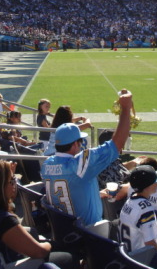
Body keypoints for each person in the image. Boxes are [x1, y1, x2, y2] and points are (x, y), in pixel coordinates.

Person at [0, 159, 78, 269]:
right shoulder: (3, 220)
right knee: (69, 256)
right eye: (12, 181)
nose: (15, 184)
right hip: (8, 264)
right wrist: (49, 245)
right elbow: (39, 252)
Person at [41, 90, 133, 225]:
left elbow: (71, 188)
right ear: (74, 144)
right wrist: (126, 109)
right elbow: (116, 145)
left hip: (65, 228)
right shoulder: (79, 164)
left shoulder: (47, 164)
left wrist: (95, 194)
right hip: (90, 231)